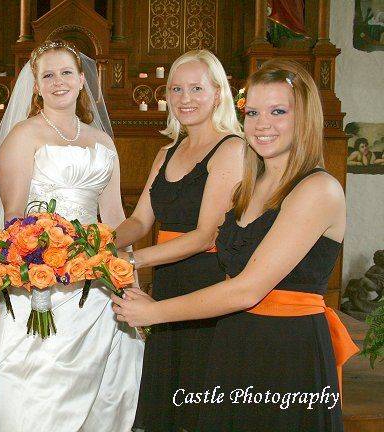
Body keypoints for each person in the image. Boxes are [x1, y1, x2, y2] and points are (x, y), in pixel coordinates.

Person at [112, 59, 359, 431]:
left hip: (286, 351)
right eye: (254, 112)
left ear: (305, 118)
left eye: (278, 111)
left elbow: (247, 288)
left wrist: (154, 311)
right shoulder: (250, 187)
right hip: (234, 339)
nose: (262, 124)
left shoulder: (317, 189)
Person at [0, 40, 144, 432]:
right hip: (39, 281)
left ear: (82, 81)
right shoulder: (24, 136)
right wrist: (40, 267)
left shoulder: (103, 142)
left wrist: (128, 278)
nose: (59, 82)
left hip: (96, 283)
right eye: (48, 75)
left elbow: (114, 217)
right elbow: (14, 219)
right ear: (36, 86)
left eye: (66, 73)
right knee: (34, 384)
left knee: (100, 385)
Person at [113, 49, 244, 432]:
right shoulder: (166, 151)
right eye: (176, 89)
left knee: (198, 399)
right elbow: (138, 220)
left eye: (196, 88)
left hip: (206, 282)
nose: (185, 98)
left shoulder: (231, 148)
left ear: (218, 93)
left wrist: (131, 261)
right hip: (168, 282)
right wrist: (100, 243)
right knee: (166, 402)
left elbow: (206, 236)